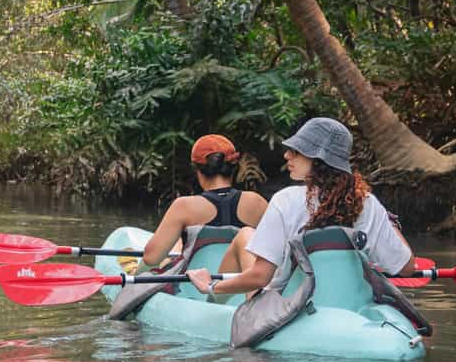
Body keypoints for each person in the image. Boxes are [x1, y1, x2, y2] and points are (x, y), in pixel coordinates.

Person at [186, 117, 415, 298]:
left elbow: (259, 277)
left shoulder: (285, 201)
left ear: (317, 159)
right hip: (349, 303)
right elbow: (406, 268)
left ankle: (214, 302)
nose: (287, 155)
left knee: (246, 239)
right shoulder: (368, 203)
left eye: (296, 151)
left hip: (292, 305)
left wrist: (211, 285)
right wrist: (389, 223)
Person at [139, 134, 267, 269]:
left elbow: (151, 258)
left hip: (195, 283)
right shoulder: (256, 202)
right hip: (240, 280)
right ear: (233, 167)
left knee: (170, 251)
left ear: (197, 170)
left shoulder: (184, 206)